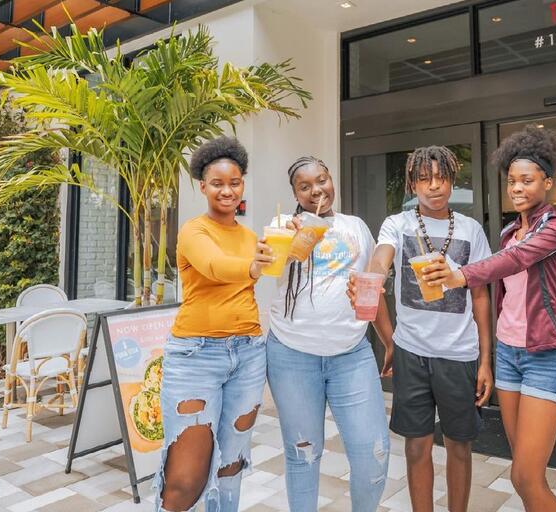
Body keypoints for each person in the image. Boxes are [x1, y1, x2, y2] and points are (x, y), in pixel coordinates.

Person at [425, 126, 556, 512]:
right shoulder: (510, 232)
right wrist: (489, 358)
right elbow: (503, 290)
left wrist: (459, 275)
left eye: (527, 180)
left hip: (546, 356)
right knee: (522, 476)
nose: (517, 188)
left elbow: (514, 261)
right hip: (510, 355)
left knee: (526, 476)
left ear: (548, 182)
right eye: (512, 181)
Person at [350, 146, 494, 512]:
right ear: (413, 183)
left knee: (460, 445)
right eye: (425, 179)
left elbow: (480, 297)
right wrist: (373, 278)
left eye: (442, 178)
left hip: (459, 354)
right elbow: (382, 257)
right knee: (417, 446)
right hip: (412, 352)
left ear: (452, 181)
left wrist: (485, 361)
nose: (435, 186)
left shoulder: (470, 229)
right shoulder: (397, 224)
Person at [265, 156, 393, 512]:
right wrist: (290, 240)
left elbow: (371, 288)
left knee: (374, 453)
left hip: (350, 355)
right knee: (303, 453)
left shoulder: (356, 227)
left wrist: (389, 340)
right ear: (295, 193)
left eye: (321, 180)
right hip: (291, 355)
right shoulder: (282, 225)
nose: (316, 190)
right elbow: (268, 265)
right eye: (305, 186)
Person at [154, 136, 270, 512]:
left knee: (230, 467)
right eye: (217, 183)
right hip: (196, 356)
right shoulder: (193, 231)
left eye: (234, 182)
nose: (227, 190)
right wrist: (252, 266)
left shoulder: (252, 236)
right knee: (185, 479)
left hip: (249, 354)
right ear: (202, 187)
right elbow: (214, 267)